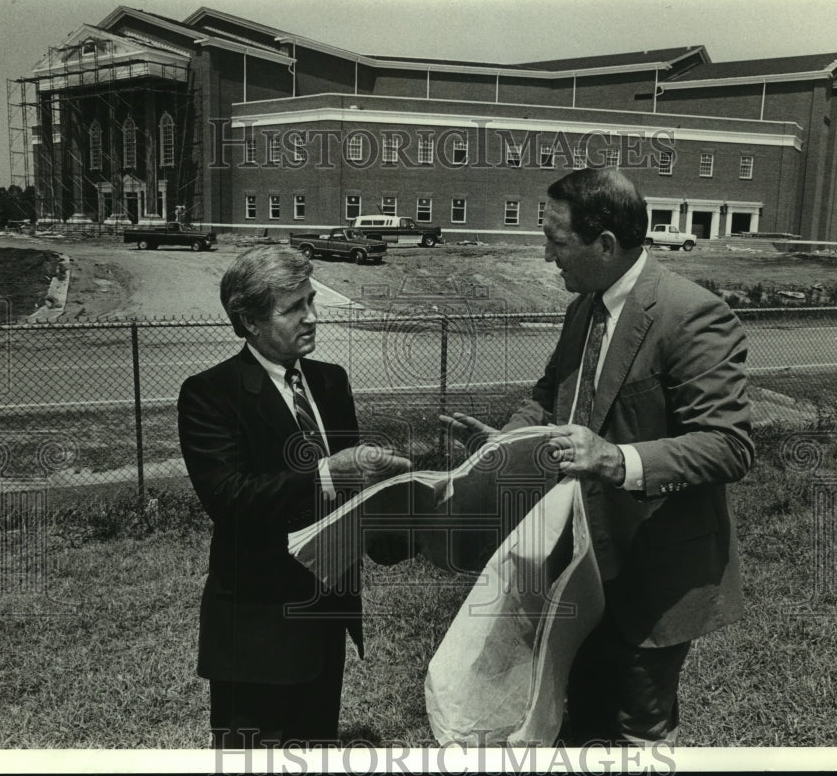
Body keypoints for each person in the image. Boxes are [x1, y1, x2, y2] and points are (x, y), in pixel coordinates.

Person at [443, 167, 754, 745]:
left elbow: (728, 445)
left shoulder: (691, 316)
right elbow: (548, 397)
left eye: (557, 243)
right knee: (573, 715)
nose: (545, 256)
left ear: (605, 245)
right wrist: (505, 443)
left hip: (653, 573)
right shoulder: (583, 308)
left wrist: (616, 459)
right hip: (575, 566)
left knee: (638, 728)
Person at [178, 246, 409, 748]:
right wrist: (329, 471)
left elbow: (352, 495)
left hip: (326, 619)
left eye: (311, 300)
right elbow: (231, 499)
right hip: (256, 628)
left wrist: (402, 507)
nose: (312, 317)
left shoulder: (330, 382)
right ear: (249, 322)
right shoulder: (210, 394)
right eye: (294, 308)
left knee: (315, 747)